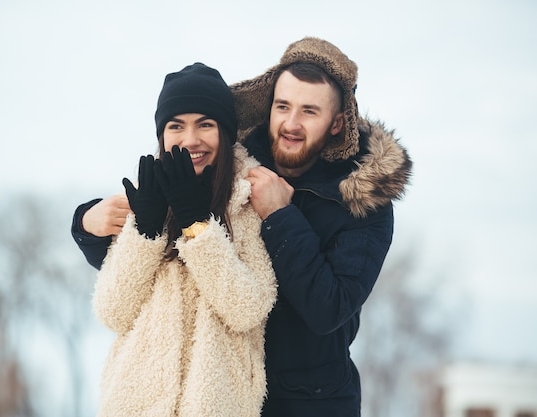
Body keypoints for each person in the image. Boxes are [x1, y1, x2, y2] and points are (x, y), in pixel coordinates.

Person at [72, 37, 412, 416]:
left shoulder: (362, 203)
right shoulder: (228, 166)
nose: (291, 123)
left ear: (337, 124)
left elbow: (327, 309)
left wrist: (281, 218)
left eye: (309, 111)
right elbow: (134, 266)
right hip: (201, 392)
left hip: (307, 400)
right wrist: (85, 223)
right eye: (283, 106)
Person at [89, 62, 277, 417]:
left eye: (205, 124)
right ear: (162, 134)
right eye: (177, 126)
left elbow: (248, 309)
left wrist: (198, 227)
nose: (191, 139)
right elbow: (112, 311)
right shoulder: (146, 200)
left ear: (225, 131)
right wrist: (145, 232)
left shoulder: (250, 200)